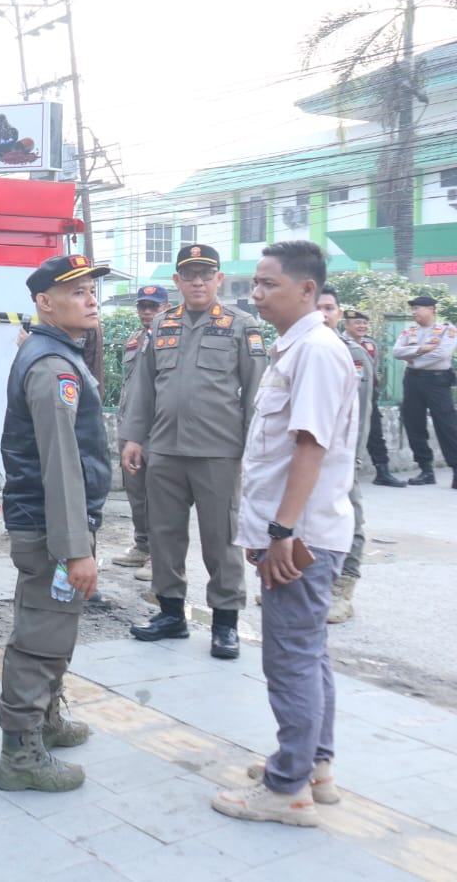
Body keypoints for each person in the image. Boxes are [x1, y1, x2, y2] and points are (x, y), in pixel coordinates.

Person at [212, 241, 357, 828]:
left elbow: (310, 446)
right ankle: (313, 765)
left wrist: (281, 532)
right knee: (308, 654)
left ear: (306, 290)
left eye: (269, 284)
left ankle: (287, 788)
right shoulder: (294, 349)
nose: (256, 294)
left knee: (290, 658)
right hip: (298, 531)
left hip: (300, 536)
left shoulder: (317, 351)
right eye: (255, 283)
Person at [0, 255, 112, 794]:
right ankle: (20, 755)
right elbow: (61, 464)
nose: (91, 299)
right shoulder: (53, 367)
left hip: (51, 523)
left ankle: (45, 721)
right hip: (50, 526)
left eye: (92, 290)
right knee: (40, 637)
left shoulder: (53, 351)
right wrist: (76, 548)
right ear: (45, 303)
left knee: (54, 626)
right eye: (78, 291)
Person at [121, 244, 265, 659]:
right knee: (164, 535)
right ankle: (170, 614)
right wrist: (135, 437)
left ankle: (225, 624)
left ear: (219, 280)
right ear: (178, 282)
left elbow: (257, 391)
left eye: (206, 274)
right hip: (164, 449)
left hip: (218, 451)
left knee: (220, 539)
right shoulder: (162, 324)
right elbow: (145, 387)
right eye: (190, 274)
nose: (198, 281)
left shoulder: (242, 325)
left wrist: (253, 450)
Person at [316, 288, 370, 625]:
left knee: (350, 515)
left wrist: (354, 458)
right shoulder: (293, 348)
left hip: (340, 454)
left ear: (339, 314)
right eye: (317, 307)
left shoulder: (353, 354)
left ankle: (343, 590)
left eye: (329, 308)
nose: (323, 314)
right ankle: (308, 583)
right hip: (302, 453)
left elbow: (361, 413)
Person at [112, 285, 169, 578]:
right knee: (136, 492)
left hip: (157, 429)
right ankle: (142, 546)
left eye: (153, 306)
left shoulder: (173, 340)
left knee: (160, 495)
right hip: (130, 426)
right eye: (142, 306)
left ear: (166, 308)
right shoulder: (134, 339)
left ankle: (160, 556)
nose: (147, 312)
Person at [392, 294, 457, 487]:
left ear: (431, 309)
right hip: (412, 381)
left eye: (418, 308)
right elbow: (396, 352)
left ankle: (456, 469)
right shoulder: (409, 332)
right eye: (413, 309)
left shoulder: (447, 330)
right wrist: (422, 349)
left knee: (447, 425)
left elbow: (442, 354)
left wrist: (413, 358)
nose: (414, 312)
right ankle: (426, 470)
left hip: (437, 381)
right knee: (414, 424)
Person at [346, 310, 402, 487]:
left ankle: (382, 471)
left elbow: (375, 370)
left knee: (375, 433)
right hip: (347, 397)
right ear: (347, 325)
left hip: (368, 396)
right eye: (357, 323)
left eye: (364, 323)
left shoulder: (370, 345)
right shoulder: (339, 343)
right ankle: (345, 473)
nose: (362, 326)